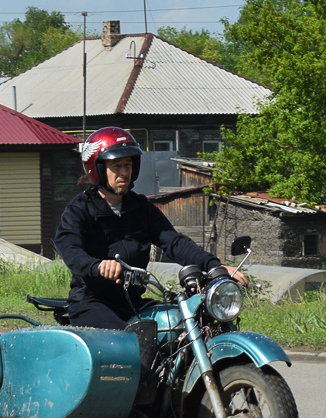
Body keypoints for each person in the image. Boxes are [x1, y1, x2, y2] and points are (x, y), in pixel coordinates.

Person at [54, 126, 247, 330]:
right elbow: (69, 247)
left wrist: (213, 266)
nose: (123, 172)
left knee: (181, 324)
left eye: (128, 165)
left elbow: (174, 242)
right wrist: (97, 266)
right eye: (116, 165)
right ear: (98, 169)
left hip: (132, 302)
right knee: (126, 344)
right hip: (92, 303)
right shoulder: (80, 209)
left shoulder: (140, 207)